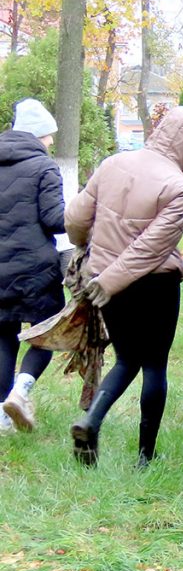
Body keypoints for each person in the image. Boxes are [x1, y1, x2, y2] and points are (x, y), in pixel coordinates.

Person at [64, 106, 183, 467]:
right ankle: (145, 457)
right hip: (155, 286)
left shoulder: (113, 164)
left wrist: (92, 259)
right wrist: (109, 278)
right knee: (155, 365)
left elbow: (76, 218)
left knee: (126, 359)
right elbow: (151, 248)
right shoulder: (178, 186)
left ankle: (91, 420)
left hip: (107, 284)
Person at [0, 99, 64, 435]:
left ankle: (2, 416)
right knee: (45, 334)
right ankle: (21, 391)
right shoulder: (44, 167)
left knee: (3, 337)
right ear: (37, 135)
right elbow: (55, 221)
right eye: (49, 136)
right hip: (35, 270)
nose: (51, 142)